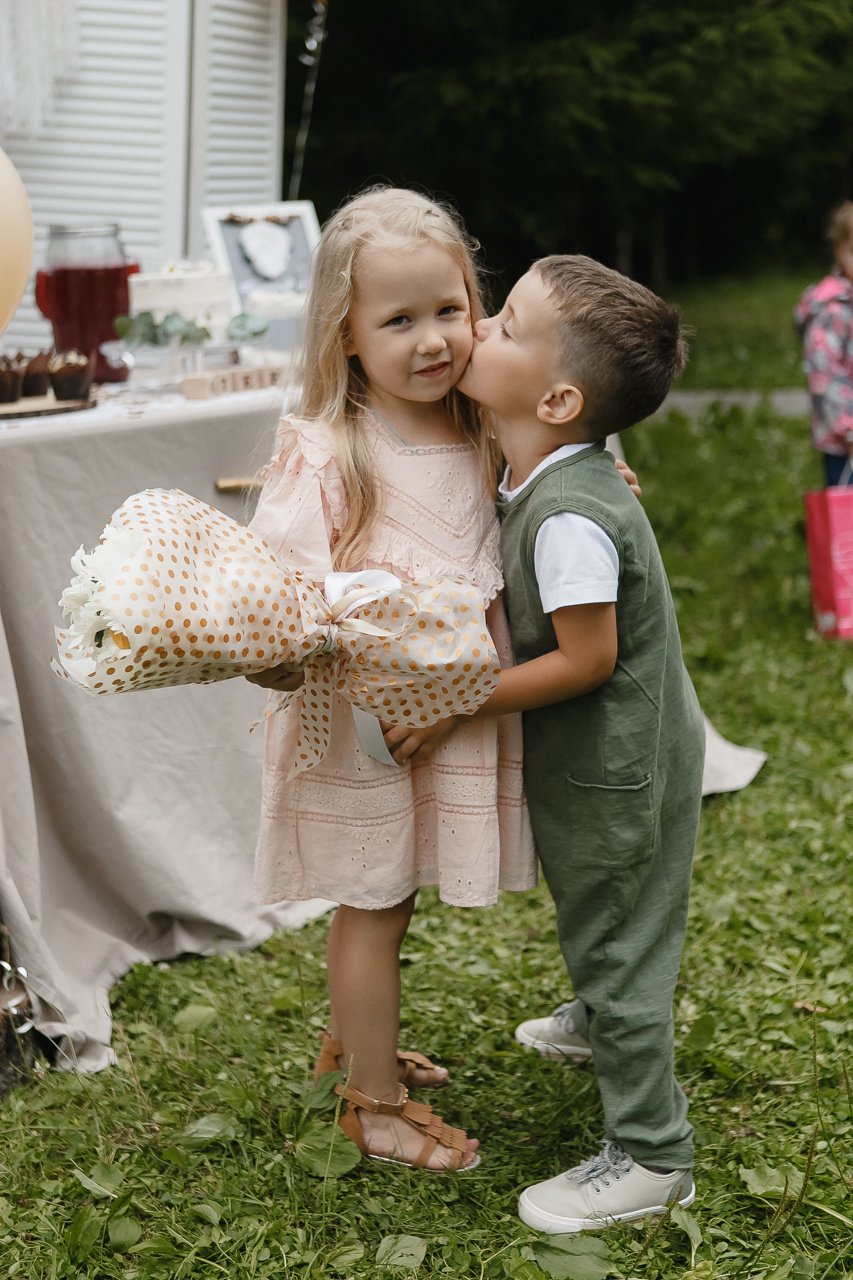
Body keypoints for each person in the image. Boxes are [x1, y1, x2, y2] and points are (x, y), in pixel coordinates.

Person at [384, 255, 705, 1228]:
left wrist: (454, 695)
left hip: (620, 762)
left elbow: (587, 657)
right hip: (604, 761)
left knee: (620, 934)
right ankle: (601, 1016)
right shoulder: (553, 466)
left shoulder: (569, 513)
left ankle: (652, 1152)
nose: (478, 329)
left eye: (507, 326)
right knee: (598, 907)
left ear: (560, 397)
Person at [245, 187, 538, 1173]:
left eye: (448, 310)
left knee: (392, 903)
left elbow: (548, 496)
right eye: (398, 320)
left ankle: (356, 1049)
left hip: (451, 718)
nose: (431, 339)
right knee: (371, 904)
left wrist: (588, 474)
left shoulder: (489, 427)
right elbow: (278, 598)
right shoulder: (331, 451)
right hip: (374, 731)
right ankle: (369, 1107)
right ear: (348, 333)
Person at [796, 201, 853, 486]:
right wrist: (849, 431)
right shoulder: (833, 311)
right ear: (838, 251)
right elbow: (825, 375)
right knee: (848, 524)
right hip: (846, 447)